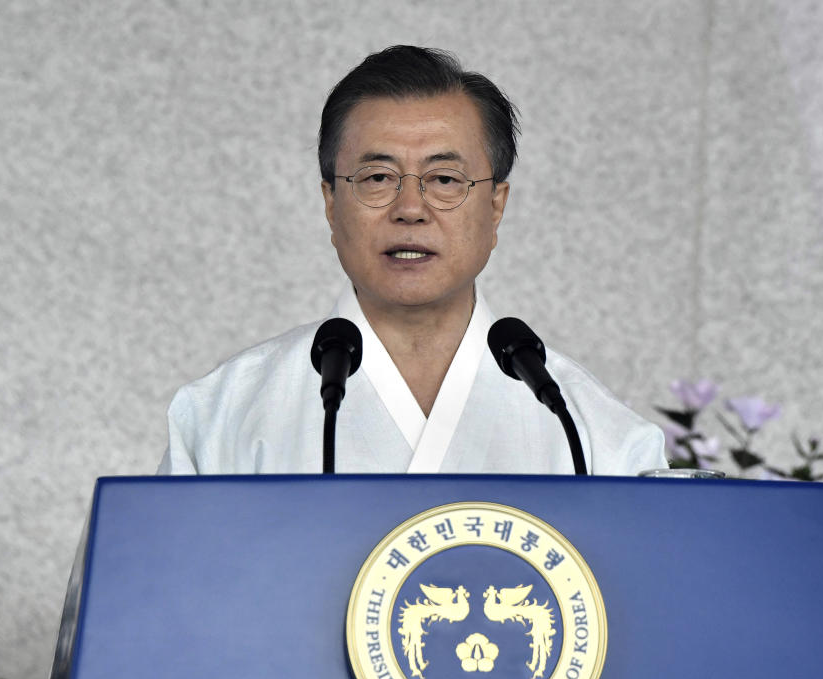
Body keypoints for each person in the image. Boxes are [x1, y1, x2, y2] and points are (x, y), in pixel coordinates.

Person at [158, 45, 665, 475]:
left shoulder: (588, 428)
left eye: (445, 180)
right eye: (377, 178)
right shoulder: (221, 414)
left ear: (495, 205)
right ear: (331, 203)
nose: (409, 209)